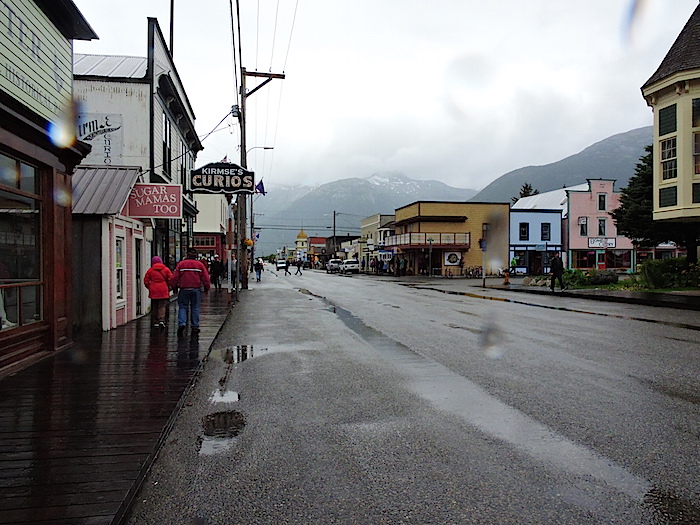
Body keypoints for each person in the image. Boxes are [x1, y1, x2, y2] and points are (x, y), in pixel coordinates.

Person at [170, 247, 211, 336]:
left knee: (183, 306)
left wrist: (174, 287)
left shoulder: (181, 264)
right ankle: (195, 326)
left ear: (187, 254)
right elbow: (206, 278)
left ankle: (182, 323)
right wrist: (207, 288)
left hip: (184, 289)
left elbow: (174, 277)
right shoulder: (199, 265)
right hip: (196, 289)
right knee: (195, 307)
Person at [144, 256, 173, 328]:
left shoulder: (150, 270)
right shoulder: (166, 270)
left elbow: (146, 281)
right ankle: (161, 320)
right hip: (163, 289)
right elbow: (170, 279)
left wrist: (150, 287)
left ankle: (156, 321)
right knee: (162, 305)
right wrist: (169, 286)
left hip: (153, 289)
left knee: (155, 306)